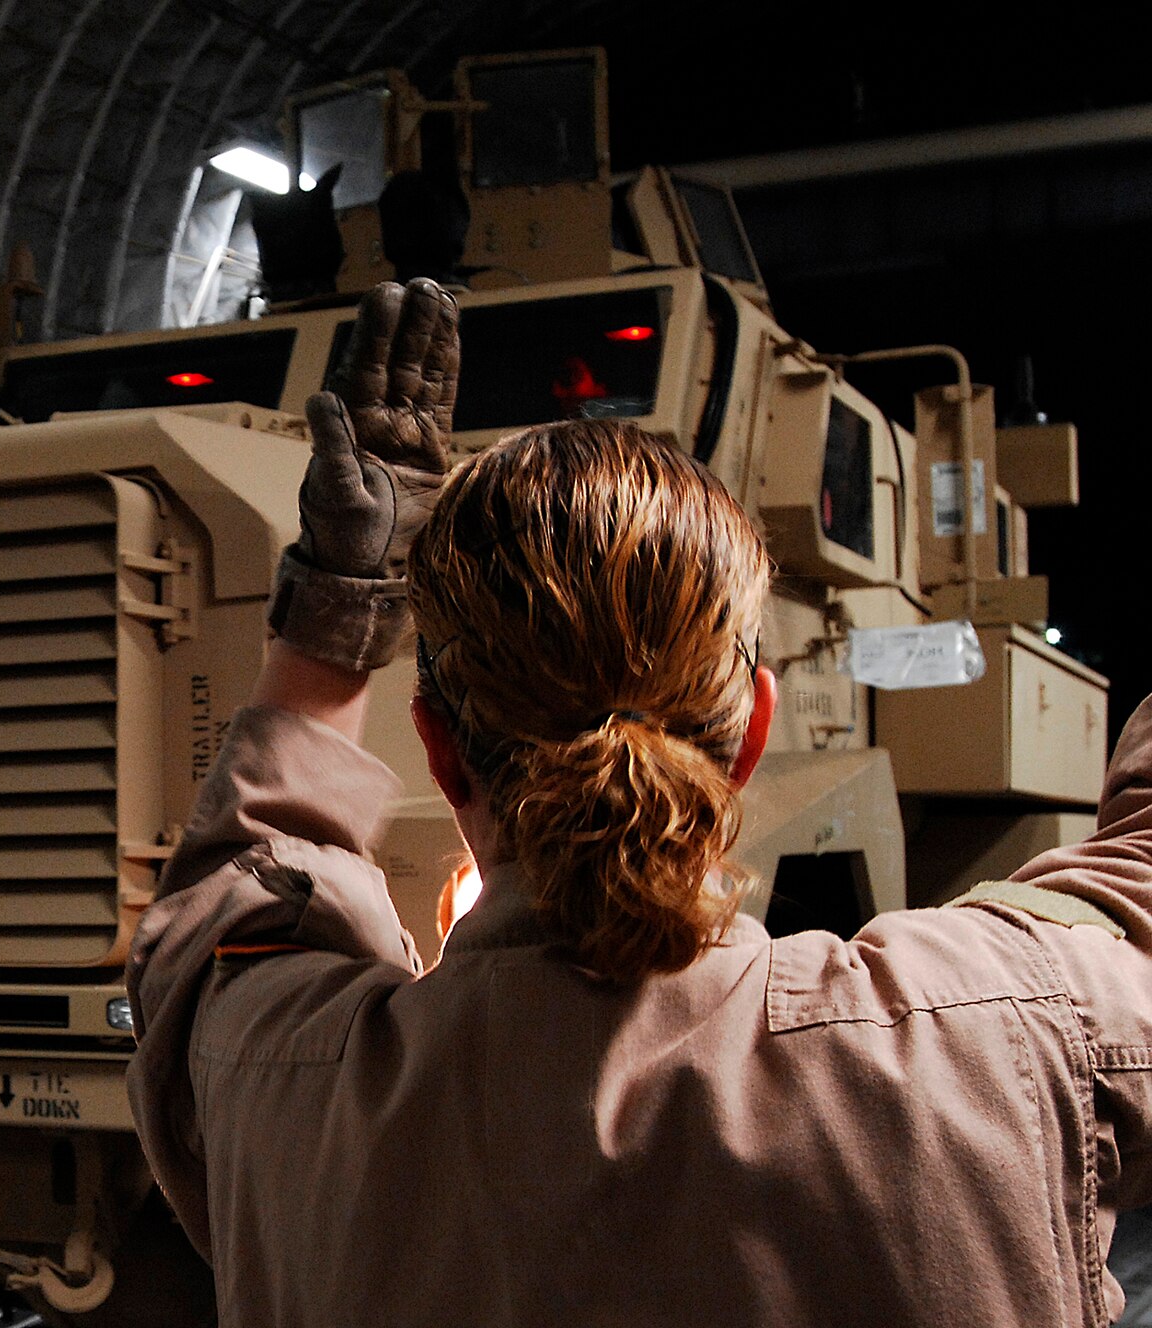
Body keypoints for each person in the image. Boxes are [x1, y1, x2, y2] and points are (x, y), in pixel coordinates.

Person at [126, 277, 1152, 1326]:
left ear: (438, 746)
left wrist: (333, 620)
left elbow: (222, 919)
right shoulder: (998, 1034)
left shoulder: (279, 1078)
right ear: (751, 729)